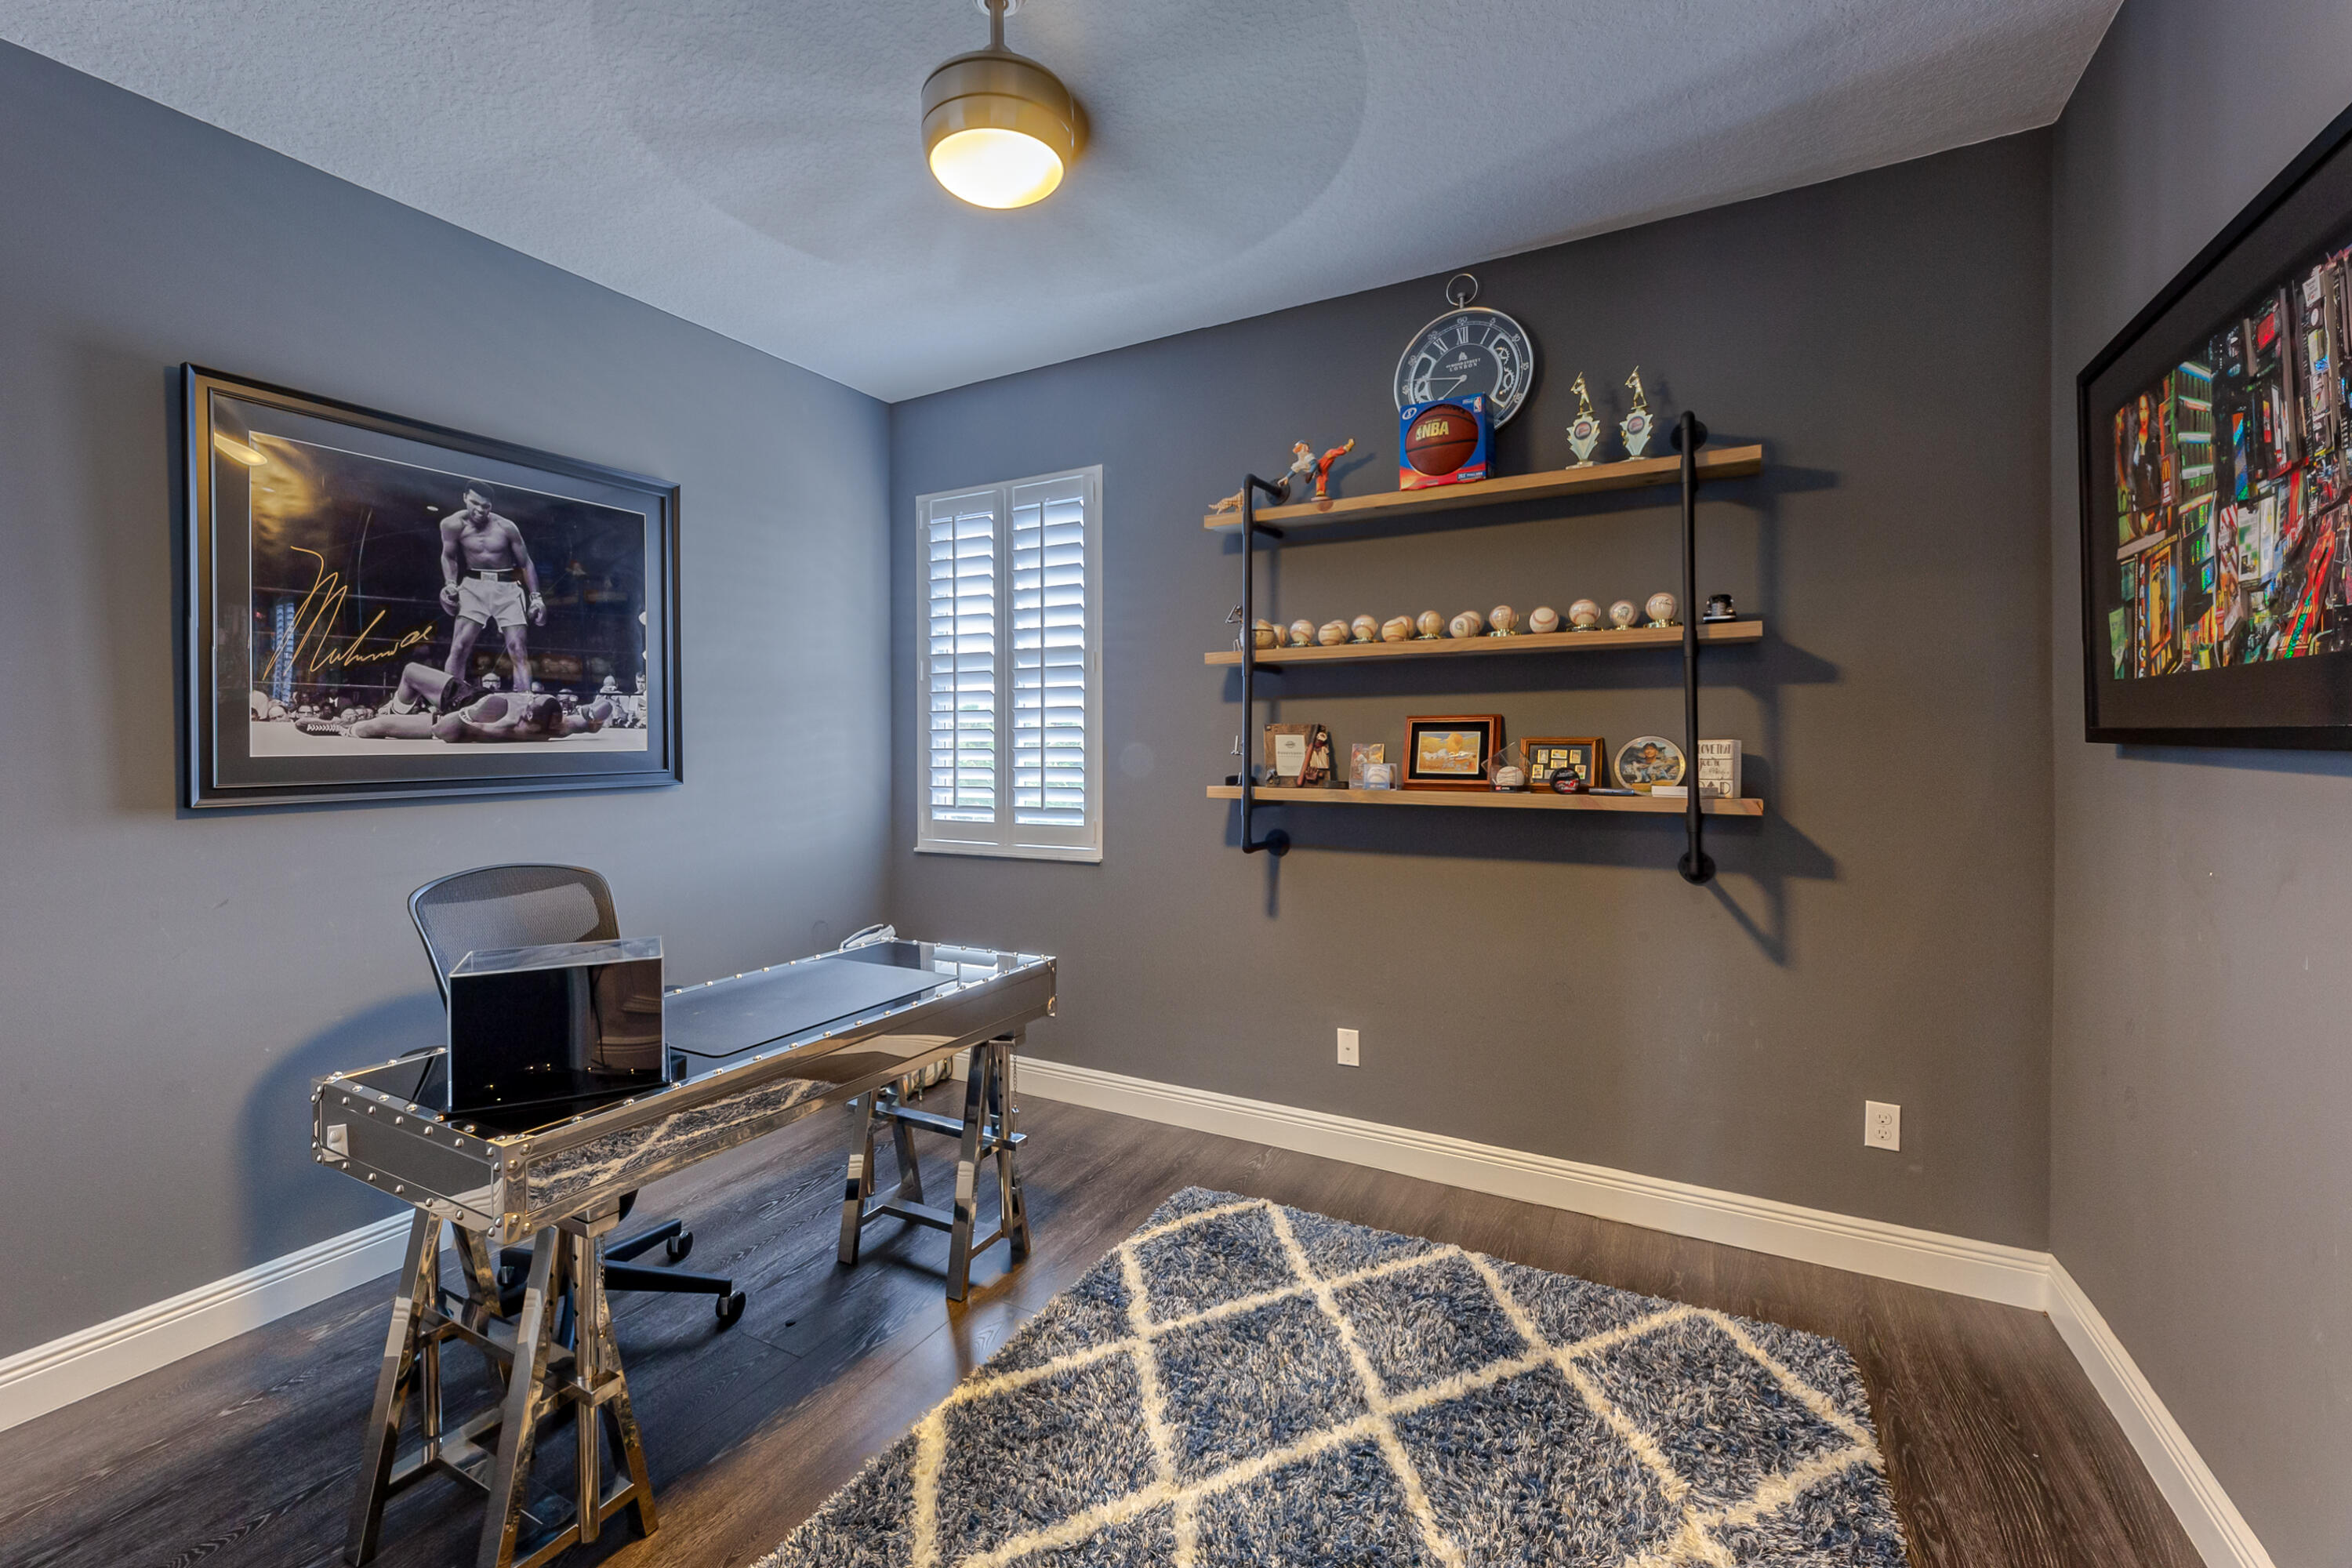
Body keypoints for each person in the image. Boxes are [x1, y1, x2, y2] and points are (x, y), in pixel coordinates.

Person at [439, 487, 545, 693]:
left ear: (491, 506)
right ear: (465, 498)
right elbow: (448, 556)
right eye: (475, 503)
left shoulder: (506, 527)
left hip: (507, 586)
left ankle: (524, 703)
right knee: (459, 647)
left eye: (485, 506)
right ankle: (450, 701)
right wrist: (450, 583)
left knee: (518, 649)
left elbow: (526, 563)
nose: (480, 510)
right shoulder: (452, 524)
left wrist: (536, 597)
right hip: (473, 585)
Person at [352, 662, 601, 742]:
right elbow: (586, 722)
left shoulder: (505, 727)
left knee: (375, 727)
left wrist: (471, 714)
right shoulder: (559, 725)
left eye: (529, 706)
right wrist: (592, 717)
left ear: (530, 720)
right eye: (533, 698)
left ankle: (346, 729)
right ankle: (393, 710)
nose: (527, 700)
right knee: (410, 671)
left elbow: (442, 730)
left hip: (457, 717)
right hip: (472, 695)